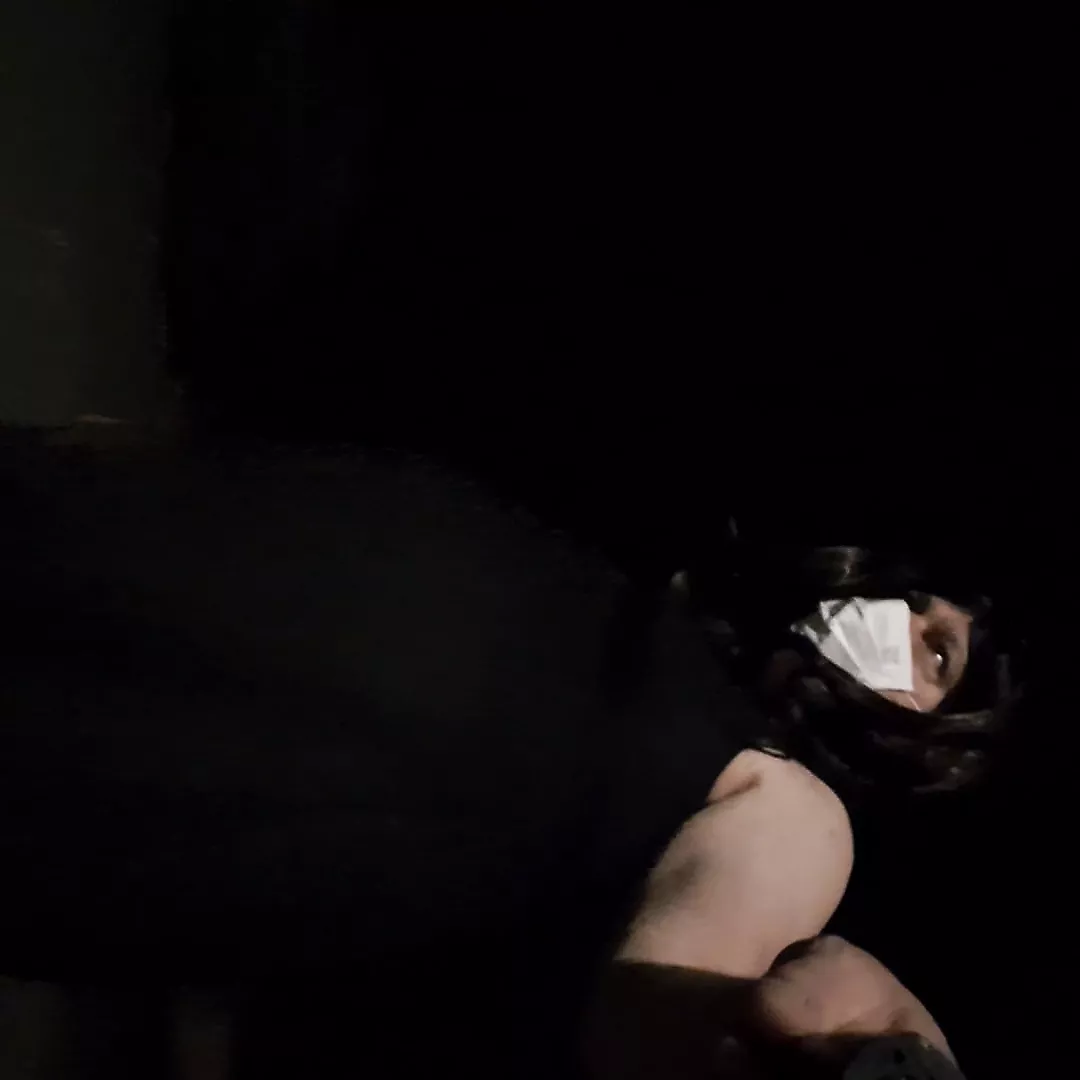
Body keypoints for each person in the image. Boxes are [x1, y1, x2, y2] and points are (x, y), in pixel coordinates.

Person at [0, 431, 1019, 1078]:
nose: (905, 617)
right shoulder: (699, 628)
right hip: (263, 558)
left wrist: (819, 1050)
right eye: (914, 601)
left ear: (929, 747)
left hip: (270, 742)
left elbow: (652, 1012)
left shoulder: (805, 815)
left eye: (937, 653)